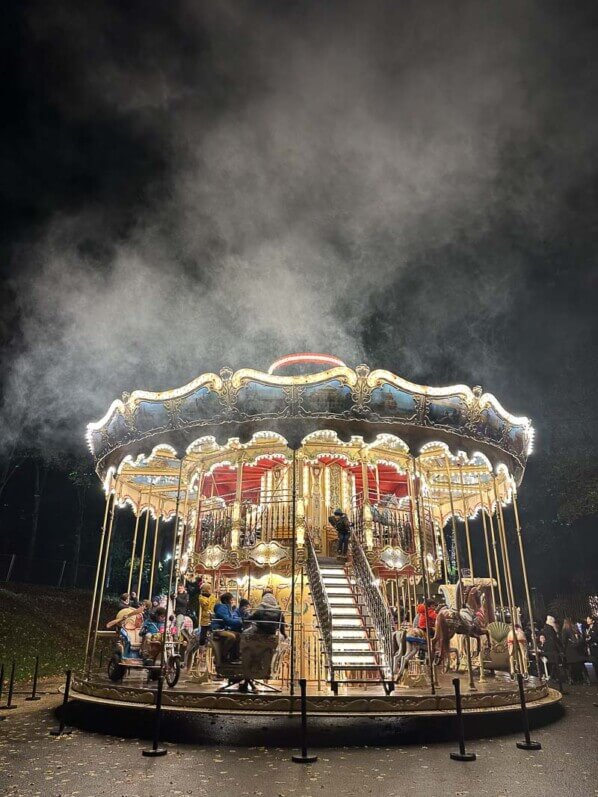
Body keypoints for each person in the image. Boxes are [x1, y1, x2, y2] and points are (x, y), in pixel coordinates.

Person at [211, 592, 243, 662]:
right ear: (226, 601)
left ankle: (234, 656)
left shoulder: (228, 608)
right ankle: (223, 655)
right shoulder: (222, 608)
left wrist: (240, 620)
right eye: (231, 600)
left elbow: (232, 618)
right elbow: (228, 620)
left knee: (238, 635)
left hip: (223, 628)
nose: (232, 602)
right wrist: (240, 622)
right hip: (218, 629)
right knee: (231, 636)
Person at [539, 615, 563, 682]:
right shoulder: (550, 628)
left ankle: (553, 676)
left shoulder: (545, 628)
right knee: (554, 663)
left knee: (552, 664)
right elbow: (554, 639)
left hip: (549, 649)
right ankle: (554, 677)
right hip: (552, 649)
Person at [562, 617, 585, 683]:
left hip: (569, 650)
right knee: (579, 665)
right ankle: (582, 679)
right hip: (577, 649)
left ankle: (571, 679)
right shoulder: (574, 628)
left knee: (571, 666)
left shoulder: (565, 630)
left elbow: (564, 641)